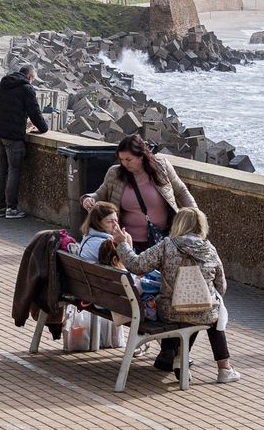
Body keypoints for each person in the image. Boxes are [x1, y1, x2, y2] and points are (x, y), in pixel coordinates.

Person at [115, 207, 242, 384]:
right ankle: (223, 369)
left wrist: (122, 244)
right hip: (203, 312)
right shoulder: (209, 249)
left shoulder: (167, 245)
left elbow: (136, 265)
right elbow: (222, 286)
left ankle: (177, 358)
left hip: (170, 311)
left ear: (179, 224)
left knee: (186, 314)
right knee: (212, 312)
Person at [81, 134, 199, 251]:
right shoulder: (115, 174)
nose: (124, 164)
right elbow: (100, 194)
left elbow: (181, 191)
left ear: (141, 156)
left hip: (164, 238)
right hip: (129, 242)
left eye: (129, 159)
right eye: (121, 159)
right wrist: (88, 199)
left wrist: (195, 214)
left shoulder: (161, 167)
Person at [0, 64, 49, 219]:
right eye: (33, 79)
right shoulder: (27, 89)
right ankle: (11, 208)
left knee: (0, 170)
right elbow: (35, 113)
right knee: (14, 170)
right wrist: (43, 128)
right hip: (12, 136)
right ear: (30, 77)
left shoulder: (2, 86)